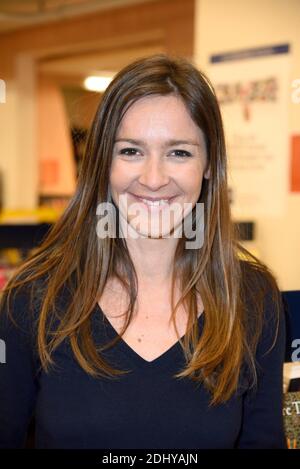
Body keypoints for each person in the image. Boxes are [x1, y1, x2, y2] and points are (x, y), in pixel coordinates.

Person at [0, 53, 287, 449]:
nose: (153, 179)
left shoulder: (253, 299)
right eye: (131, 151)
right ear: (103, 162)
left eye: (179, 152)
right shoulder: (33, 299)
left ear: (208, 164)